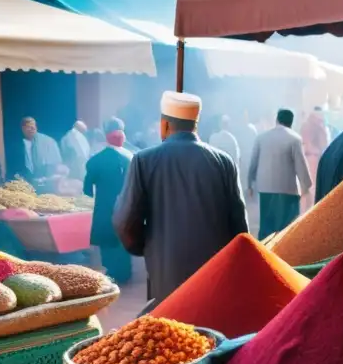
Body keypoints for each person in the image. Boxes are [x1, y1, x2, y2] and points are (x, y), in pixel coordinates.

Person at [113, 91, 248, 307]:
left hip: (165, 271)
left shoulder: (144, 160)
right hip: (214, 273)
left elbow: (124, 221)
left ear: (165, 125)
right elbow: (239, 227)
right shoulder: (223, 161)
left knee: (172, 332)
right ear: (196, 124)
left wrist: (146, 246)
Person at [84, 118, 134, 284]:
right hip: (127, 207)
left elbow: (87, 189)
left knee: (107, 241)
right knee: (123, 240)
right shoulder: (131, 158)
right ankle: (125, 274)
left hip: (104, 208)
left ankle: (111, 273)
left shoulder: (95, 160)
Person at [248, 109, 311, 239]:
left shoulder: (261, 137)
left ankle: (264, 253)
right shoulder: (294, 139)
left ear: (277, 119)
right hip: (288, 190)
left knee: (266, 226)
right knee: (286, 229)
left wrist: (249, 183)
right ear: (291, 122)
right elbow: (300, 165)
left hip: (265, 189)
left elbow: (253, 162)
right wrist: (306, 186)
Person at [299, 106, 330, 211]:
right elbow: (324, 145)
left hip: (306, 158)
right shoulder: (319, 127)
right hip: (314, 159)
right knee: (312, 189)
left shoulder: (305, 125)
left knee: (306, 189)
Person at [17, 117, 63, 183]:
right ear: (23, 129)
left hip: (46, 180)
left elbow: (56, 163)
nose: (32, 128)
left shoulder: (48, 141)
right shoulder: (18, 144)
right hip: (26, 181)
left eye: (34, 126)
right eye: (29, 127)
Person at [231, 111, 258, 196]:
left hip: (249, 159)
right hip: (240, 160)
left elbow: (255, 145)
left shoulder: (251, 129)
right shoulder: (236, 130)